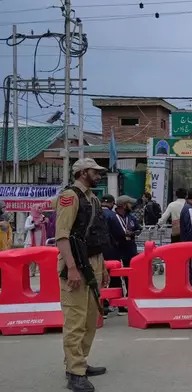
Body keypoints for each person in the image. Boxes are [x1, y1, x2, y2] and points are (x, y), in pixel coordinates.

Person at [54, 158, 110, 392]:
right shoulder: (71, 196)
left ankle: (80, 362)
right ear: (83, 172)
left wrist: (103, 266)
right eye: (94, 171)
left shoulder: (92, 198)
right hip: (76, 263)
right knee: (76, 319)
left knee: (90, 319)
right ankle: (74, 372)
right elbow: (62, 235)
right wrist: (73, 267)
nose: (98, 175)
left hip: (94, 261)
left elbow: (94, 234)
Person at [109, 195, 141, 314]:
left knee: (130, 276)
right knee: (116, 277)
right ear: (123, 205)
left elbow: (137, 229)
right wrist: (125, 234)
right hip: (117, 251)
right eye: (129, 203)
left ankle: (129, 299)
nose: (131, 206)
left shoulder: (131, 217)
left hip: (130, 250)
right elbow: (118, 234)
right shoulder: (113, 217)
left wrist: (133, 233)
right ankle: (116, 303)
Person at [24, 203, 49, 276]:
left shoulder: (43, 216)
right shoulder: (30, 217)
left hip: (41, 239)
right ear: (34, 209)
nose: (41, 209)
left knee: (40, 256)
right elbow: (26, 227)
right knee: (31, 256)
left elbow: (46, 227)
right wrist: (34, 225)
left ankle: (40, 271)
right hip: (31, 240)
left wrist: (47, 223)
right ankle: (32, 272)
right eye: (39, 208)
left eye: (41, 208)